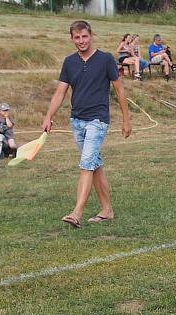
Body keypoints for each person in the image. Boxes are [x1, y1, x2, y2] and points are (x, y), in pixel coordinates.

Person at [42, 20, 131, 228]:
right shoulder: (69, 62)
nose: (81, 41)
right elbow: (60, 92)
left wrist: (126, 120)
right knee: (94, 165)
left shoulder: (106, 59)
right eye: (77, 37)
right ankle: (107, 210)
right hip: (77, 121)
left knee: (85, 165)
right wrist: (48, 116)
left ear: (91, 36)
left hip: (98, 120)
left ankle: (76, 212)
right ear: (72, 39)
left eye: (84, 36)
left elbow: (120, 90)